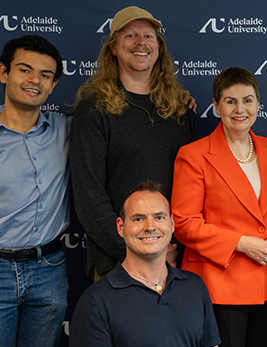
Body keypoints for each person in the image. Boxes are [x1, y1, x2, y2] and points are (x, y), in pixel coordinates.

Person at [172, 67, 267, 347]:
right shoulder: (193, 155)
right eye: (230, 101)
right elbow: (184, 222)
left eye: (248, 100)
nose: (240, 109)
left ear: (258, 104)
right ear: (216, 106)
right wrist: (241, 243)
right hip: (221, 282)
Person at [70, 5, 198, 280]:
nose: (141, 42)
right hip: (117, 265)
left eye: (149, 36)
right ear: (114, 48)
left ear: (159, 48)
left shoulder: (180, 111)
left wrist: (171, 250)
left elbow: (196, 190)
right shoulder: (93, 109)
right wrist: (139, 251)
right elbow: (89, 197)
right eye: (130, 35)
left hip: (175, 263)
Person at [69, 180, 221, 347]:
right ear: (121, 227)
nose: (150, 226)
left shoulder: (195, 287)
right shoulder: (96, 302)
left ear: (172, 224)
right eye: (138, 219)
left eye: (159, 217)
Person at [0, 35, 69, 347]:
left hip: (49, 270)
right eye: (24, 70)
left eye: (45, 75)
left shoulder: (67, 130)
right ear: (4, 73)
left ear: (53, 85)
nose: (34, 81)